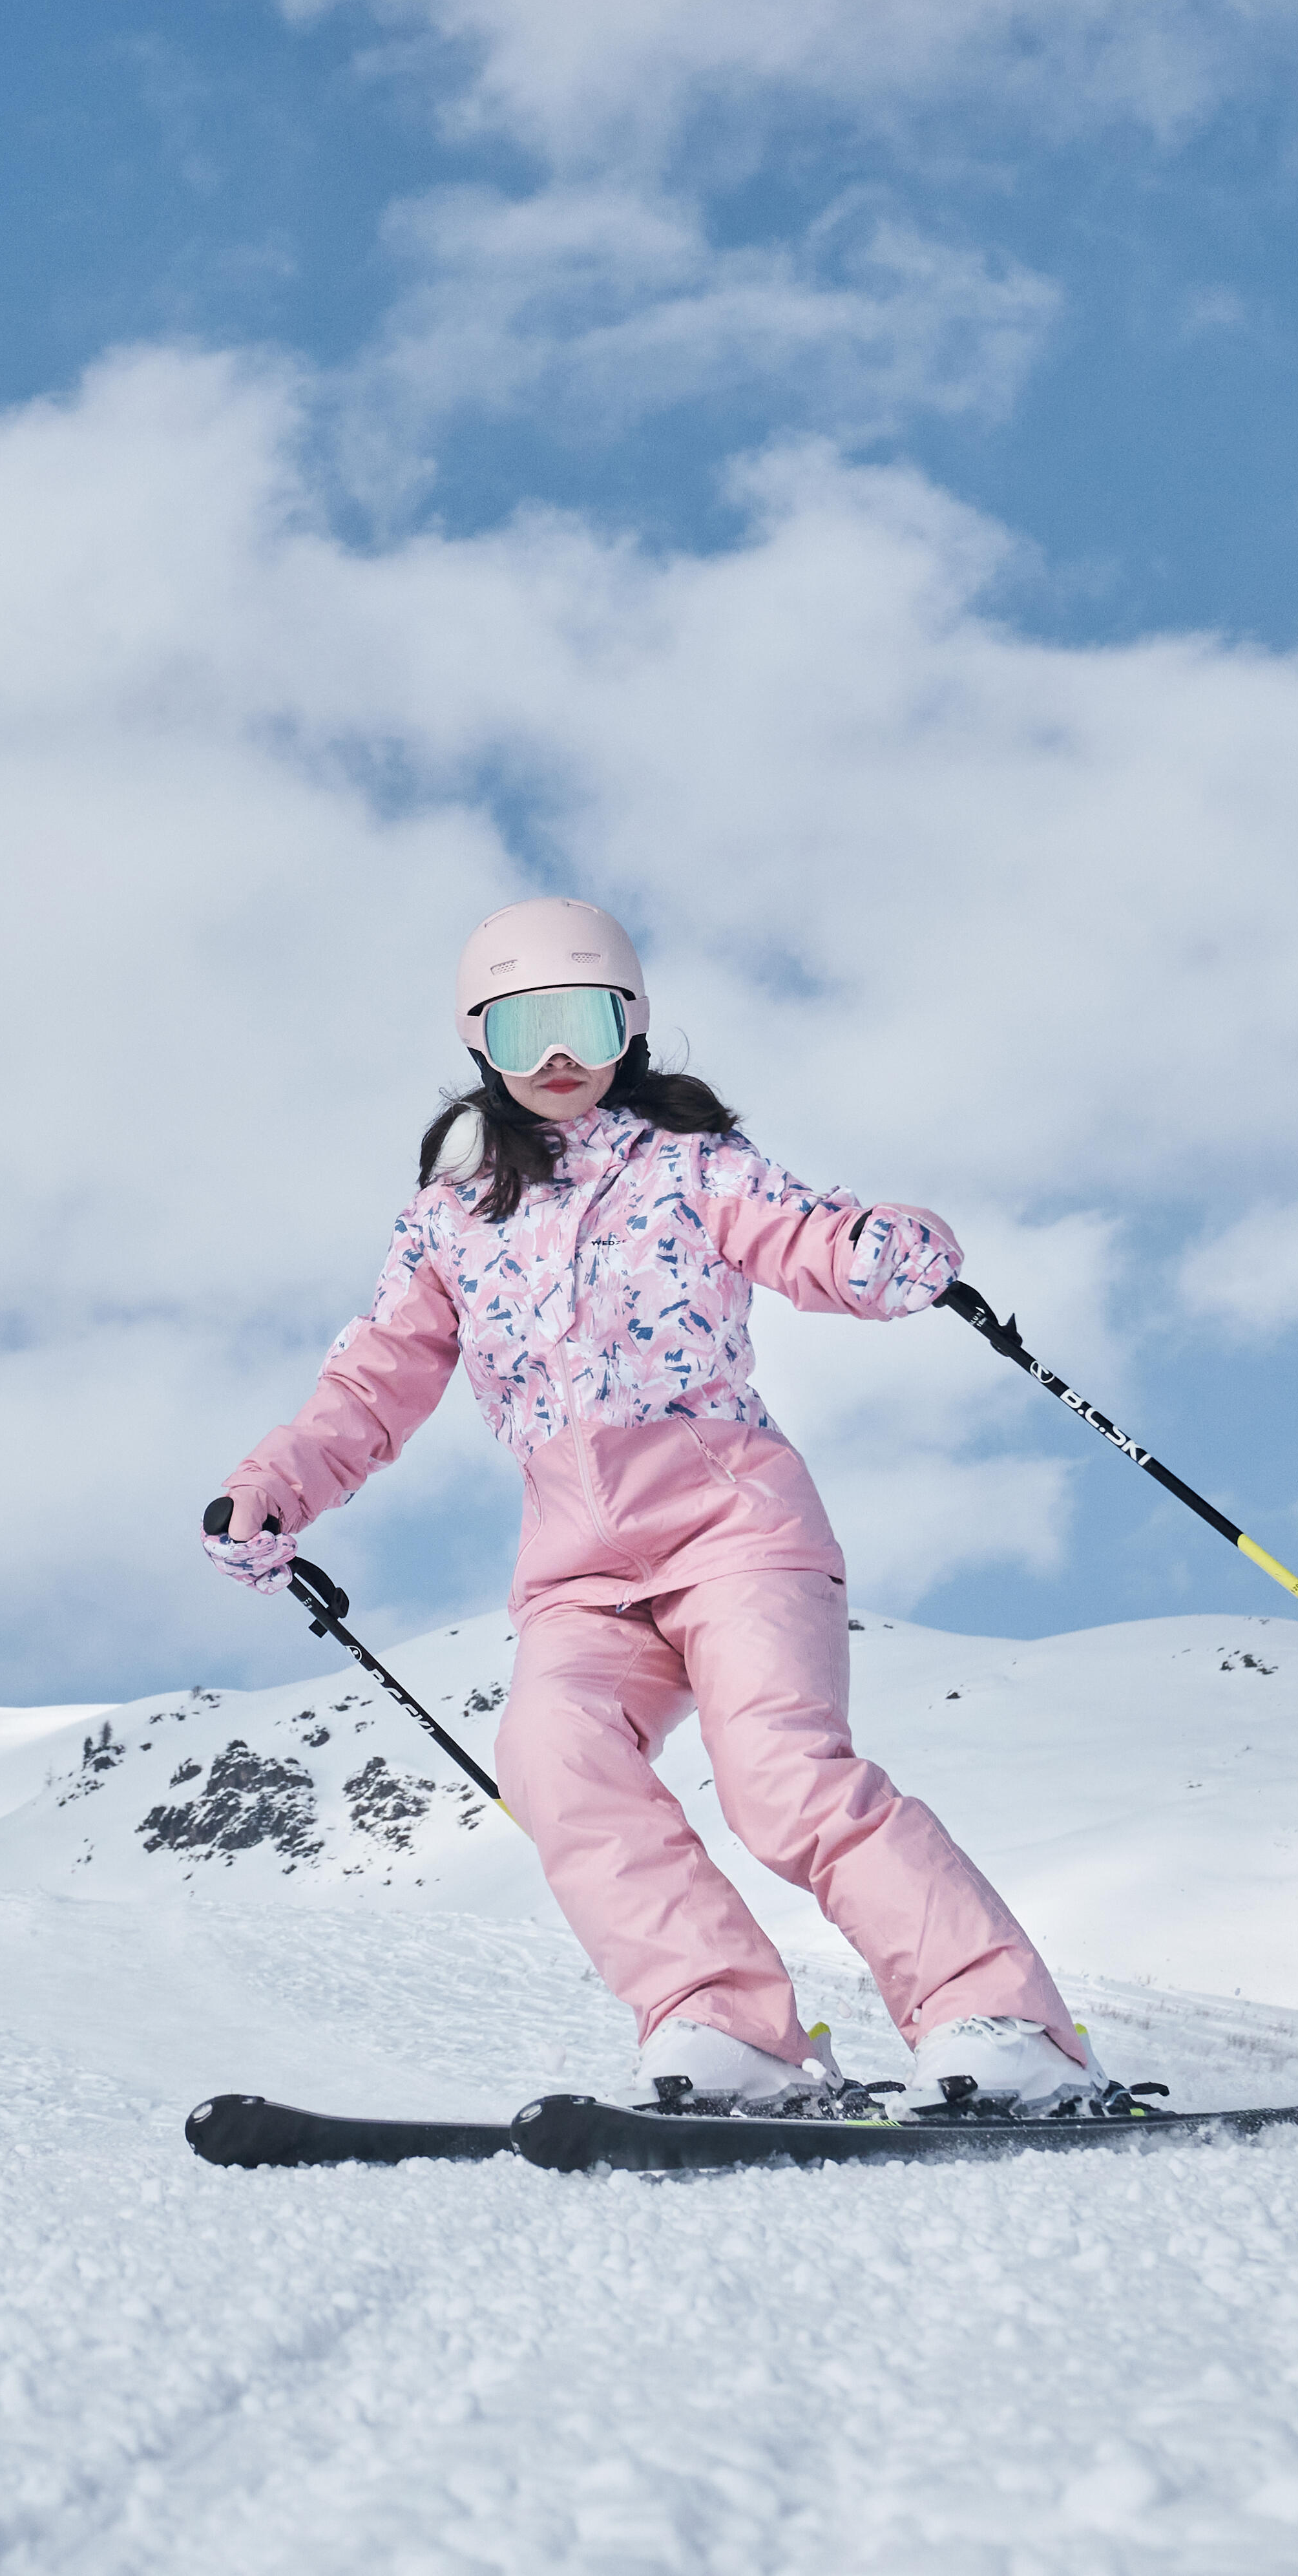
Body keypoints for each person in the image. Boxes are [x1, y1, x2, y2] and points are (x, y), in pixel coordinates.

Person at [204, 897, 1105, 2118]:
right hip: (579, 1572)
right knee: (552, 1755)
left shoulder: (694, 1168)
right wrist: (272, 1490)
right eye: (525, 1030)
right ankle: (724, 2026)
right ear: (481, 1044)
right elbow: (373, 1381)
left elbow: (805, 1235)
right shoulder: (451, 1225)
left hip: (736, 1533)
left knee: (780, 1778)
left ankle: (996, 2020)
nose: (559, 1056)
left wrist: (884, 1251)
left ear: (631, 1026)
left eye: (584, 1020)